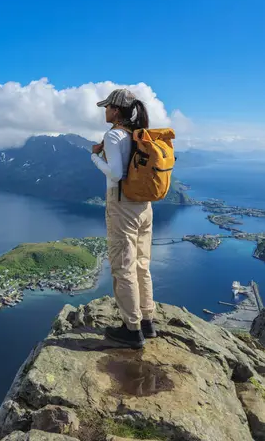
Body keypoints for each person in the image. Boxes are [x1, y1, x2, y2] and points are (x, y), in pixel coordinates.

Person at [91, 88, 156, 349]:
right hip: (144, 206)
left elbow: (116, 174)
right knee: (141, 263)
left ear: (116, 111)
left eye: (107, 107)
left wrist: (95, 157)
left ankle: (132, 329)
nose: (104, 110)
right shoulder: (138, 135)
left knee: (122, 267)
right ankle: (147, 321)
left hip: (122, 206)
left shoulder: (114, 135)